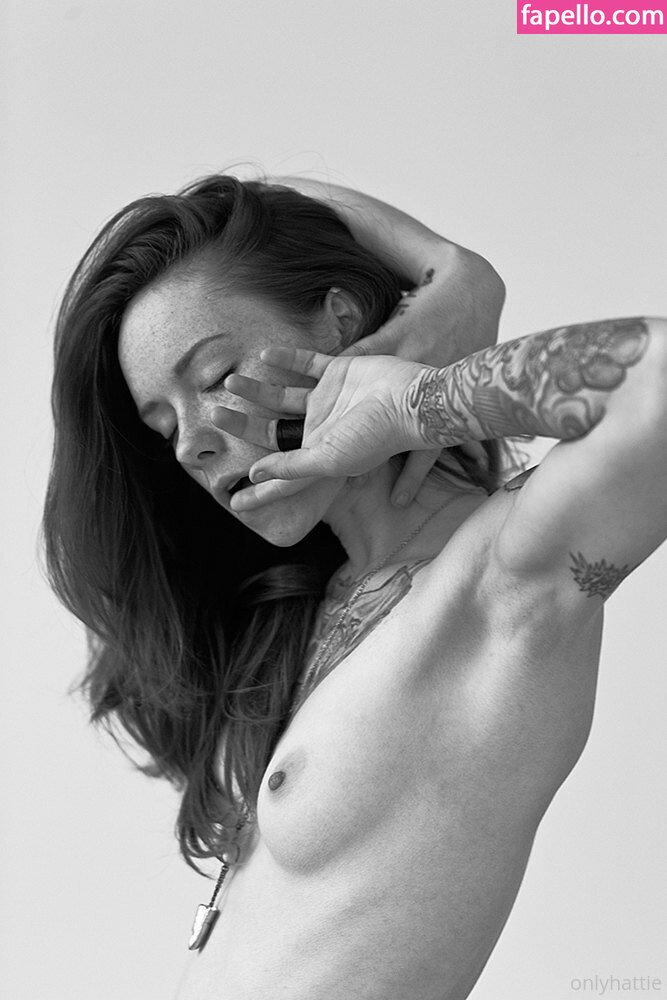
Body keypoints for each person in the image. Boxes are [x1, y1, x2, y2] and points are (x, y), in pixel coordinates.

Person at [43, 173, 666, 1000]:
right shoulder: (305, 608)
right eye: (165, 426)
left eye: (218, 375)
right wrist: (446, 268)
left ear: (341, 323)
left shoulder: (502, 577)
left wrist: (438, 343)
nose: (191, 445)